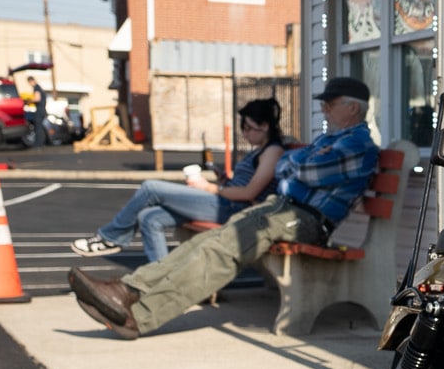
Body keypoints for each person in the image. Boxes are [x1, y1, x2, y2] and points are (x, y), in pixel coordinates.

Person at [68, 78, 378, 339]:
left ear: (352, 107)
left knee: (222, 250)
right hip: (282, 210)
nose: (323, 108)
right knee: (208, 241)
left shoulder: (359, 145)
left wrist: (297, 164)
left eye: (330, 103)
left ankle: (139, 317)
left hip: (306, 221)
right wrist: (298, 164)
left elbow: (304, 171)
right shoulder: (329, 139)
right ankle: (127, 289)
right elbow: (286, 167)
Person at [70, 99, 288, 261]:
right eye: (243, 128)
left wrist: (210, 188)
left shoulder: (273, 151)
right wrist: (222, 180)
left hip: (234, 209)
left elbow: (249, 193)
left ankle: (111, 237)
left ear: (265, 126)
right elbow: (241, 186)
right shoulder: (258, 151)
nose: (245, 133)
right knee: (149, 217)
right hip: (225, 201)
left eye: (248, 127)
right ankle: (161, 279)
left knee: (151, 188)